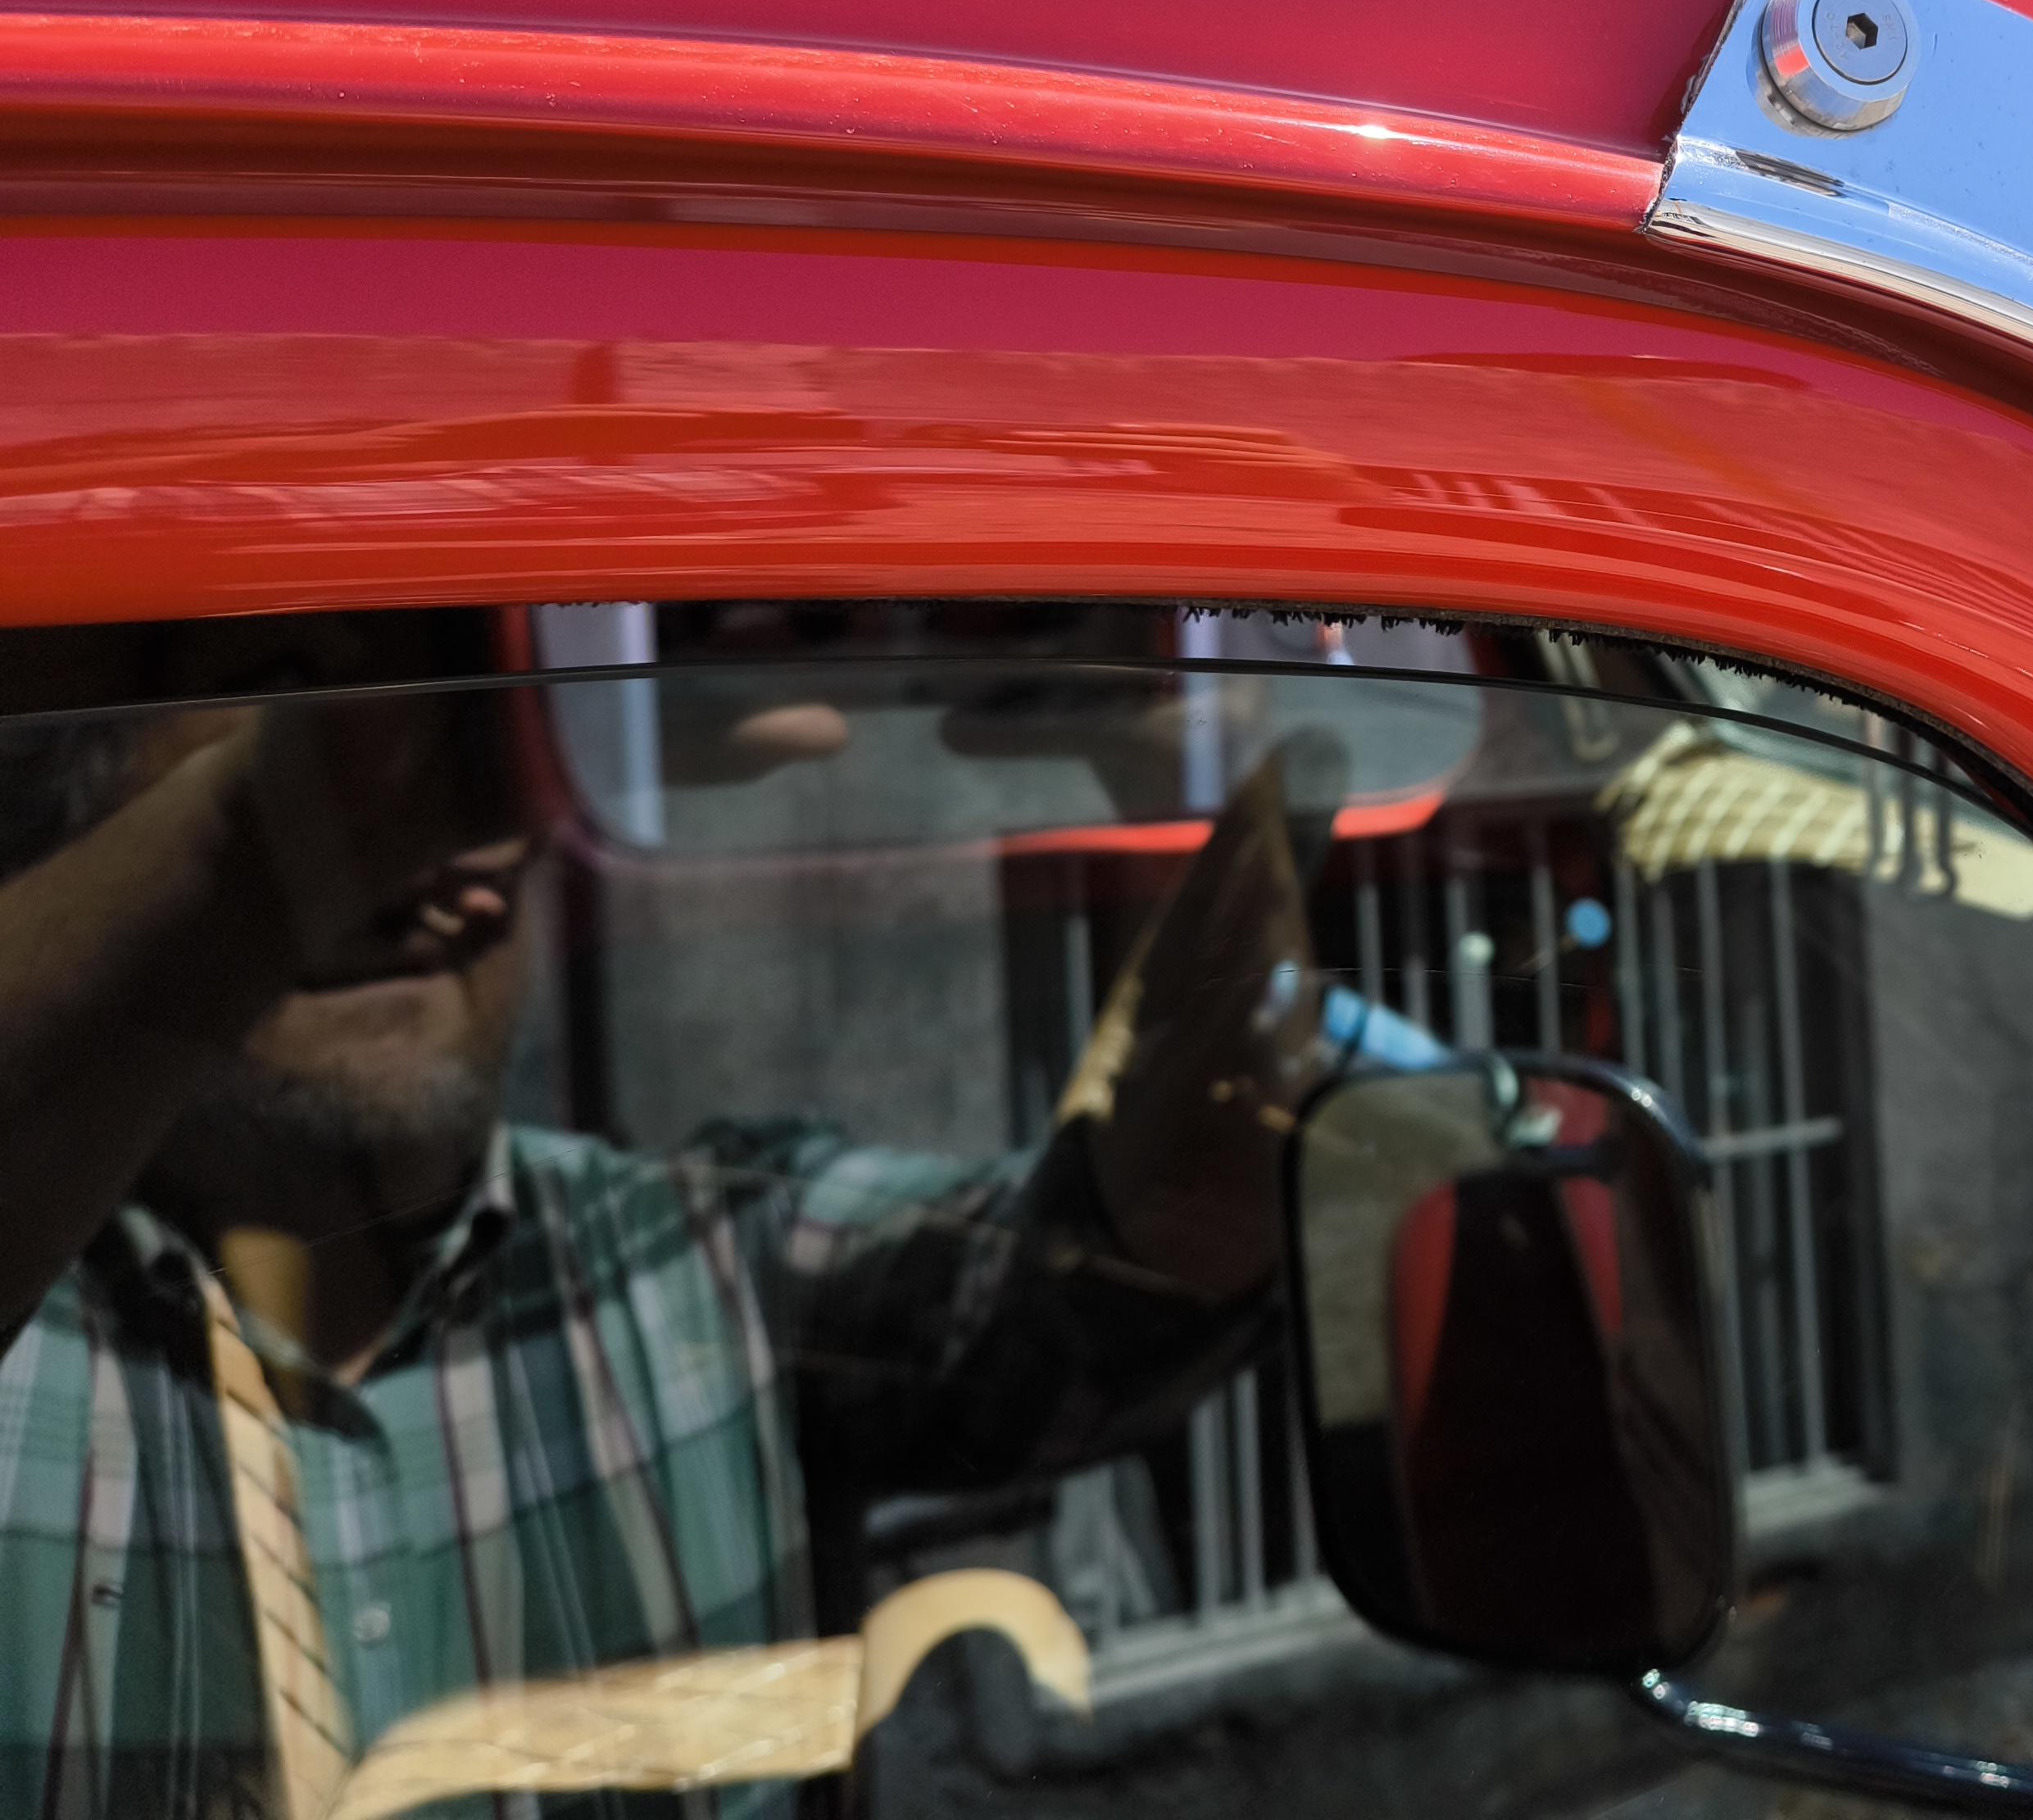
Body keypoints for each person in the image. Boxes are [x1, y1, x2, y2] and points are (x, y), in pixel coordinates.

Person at [0, 611, 1339, 1820]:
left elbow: (1103, 1275)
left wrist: (1216, 811)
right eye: (287, 691)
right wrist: (256, 851)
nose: (430, 855)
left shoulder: (702, 1259)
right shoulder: (33, 1341)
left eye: (496, 747)